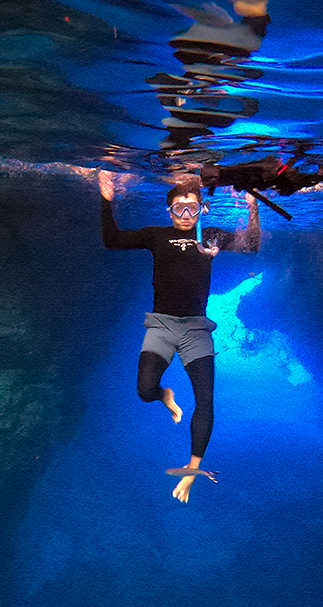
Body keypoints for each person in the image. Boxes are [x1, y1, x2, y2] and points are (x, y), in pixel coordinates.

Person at [98, 170, 261, 502]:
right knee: (145, 391)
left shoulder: (211, 235)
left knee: (205, 400)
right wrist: (106, 200)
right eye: (178, 210)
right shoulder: (157, 235)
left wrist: (252, 207)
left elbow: (252, 245)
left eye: (191, 209)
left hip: (197, 329)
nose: (185, 216)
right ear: (168, 211)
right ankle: (165, 395)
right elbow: (112, 240)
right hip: (160, 325)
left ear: (202, 209)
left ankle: (192, 469)